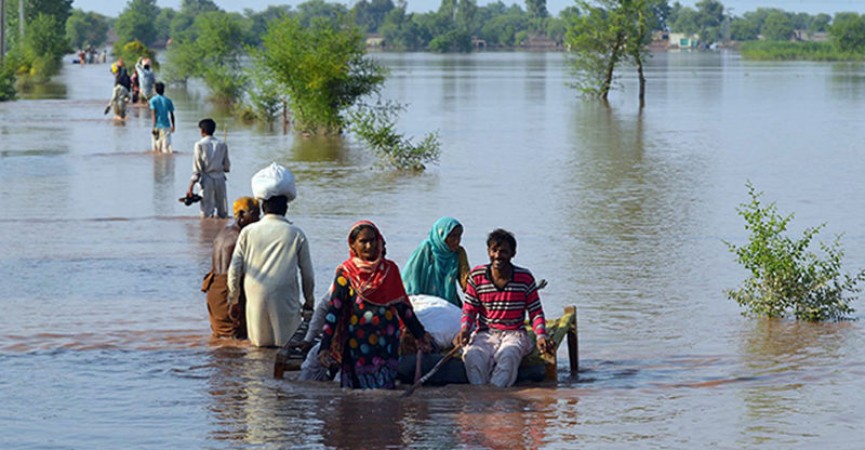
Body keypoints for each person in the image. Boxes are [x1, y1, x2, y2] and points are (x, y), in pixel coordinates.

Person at [318, 221, 434, 389]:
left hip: (386, 344)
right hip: (357, 345)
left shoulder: (389, 270)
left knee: (384, 392)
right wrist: (324, 347)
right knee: (358, 394)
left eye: (372, 240)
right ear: (353, 244)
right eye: (363, 241)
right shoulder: (346, 273)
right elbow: (334, 310)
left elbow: (403, 308)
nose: (369, 246)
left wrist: (420, 335)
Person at [228, 163, 315, 347]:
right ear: (286, 207)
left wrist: (234, 299)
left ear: (262, 206)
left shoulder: (247, 232)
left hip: (255, 295)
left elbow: (234, 270)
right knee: (285, 347)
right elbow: (307, 275)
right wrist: (309, 303)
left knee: (258, 349)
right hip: (285, 298)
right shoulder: (295, 233)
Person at [454, 229, 551, 388]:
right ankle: (480, 399)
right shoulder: (477, 276)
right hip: (485, 333)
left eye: (504, 251)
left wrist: (541, 335)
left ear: (513, 253)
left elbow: (535, 312)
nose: (498, 256)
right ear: (488, 252)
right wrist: (464, 330)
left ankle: (497, 399)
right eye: (494, 251)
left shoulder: (524, 278)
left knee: (509, 355)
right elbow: (469, 310)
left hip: (514, 333)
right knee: (472, 356)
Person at [201, 197, 260, 339]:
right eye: (254, 215)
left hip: (213, 289)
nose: (258, 219)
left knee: (220, 339)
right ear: (241, 215)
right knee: (235, 339)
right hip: (228, 290)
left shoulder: (223, 232)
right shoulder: (242, 236)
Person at [402, 216, 470, 307]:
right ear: (442, 235)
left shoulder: (458, 253)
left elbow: (466, 281)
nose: (457, 241)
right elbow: (412, 275)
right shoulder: (427, 248)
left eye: (459, 236)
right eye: (453, 236)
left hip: (449, 303)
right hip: (424, 302)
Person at [187, 118, 230, 218]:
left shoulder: (199, 145)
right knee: (223, 212)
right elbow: (227, 166)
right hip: (220, 179)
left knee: (205, 213)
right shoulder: (222, 144)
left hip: (206, 180)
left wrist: (191, 187)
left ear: (202, 131)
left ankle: (206, 232)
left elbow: (197, 169)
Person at [149, 82, 175, 153]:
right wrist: (173, 125)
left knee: (156, 148)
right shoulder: (168, 100)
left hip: (157, 126)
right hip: (166, 126)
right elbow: (172, 114)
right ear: (164, 90)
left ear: (155, 90)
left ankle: (157, 163)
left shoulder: (153, 100)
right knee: (166, 149)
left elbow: (153, 114)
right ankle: (166, 163)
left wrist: (154, 127)